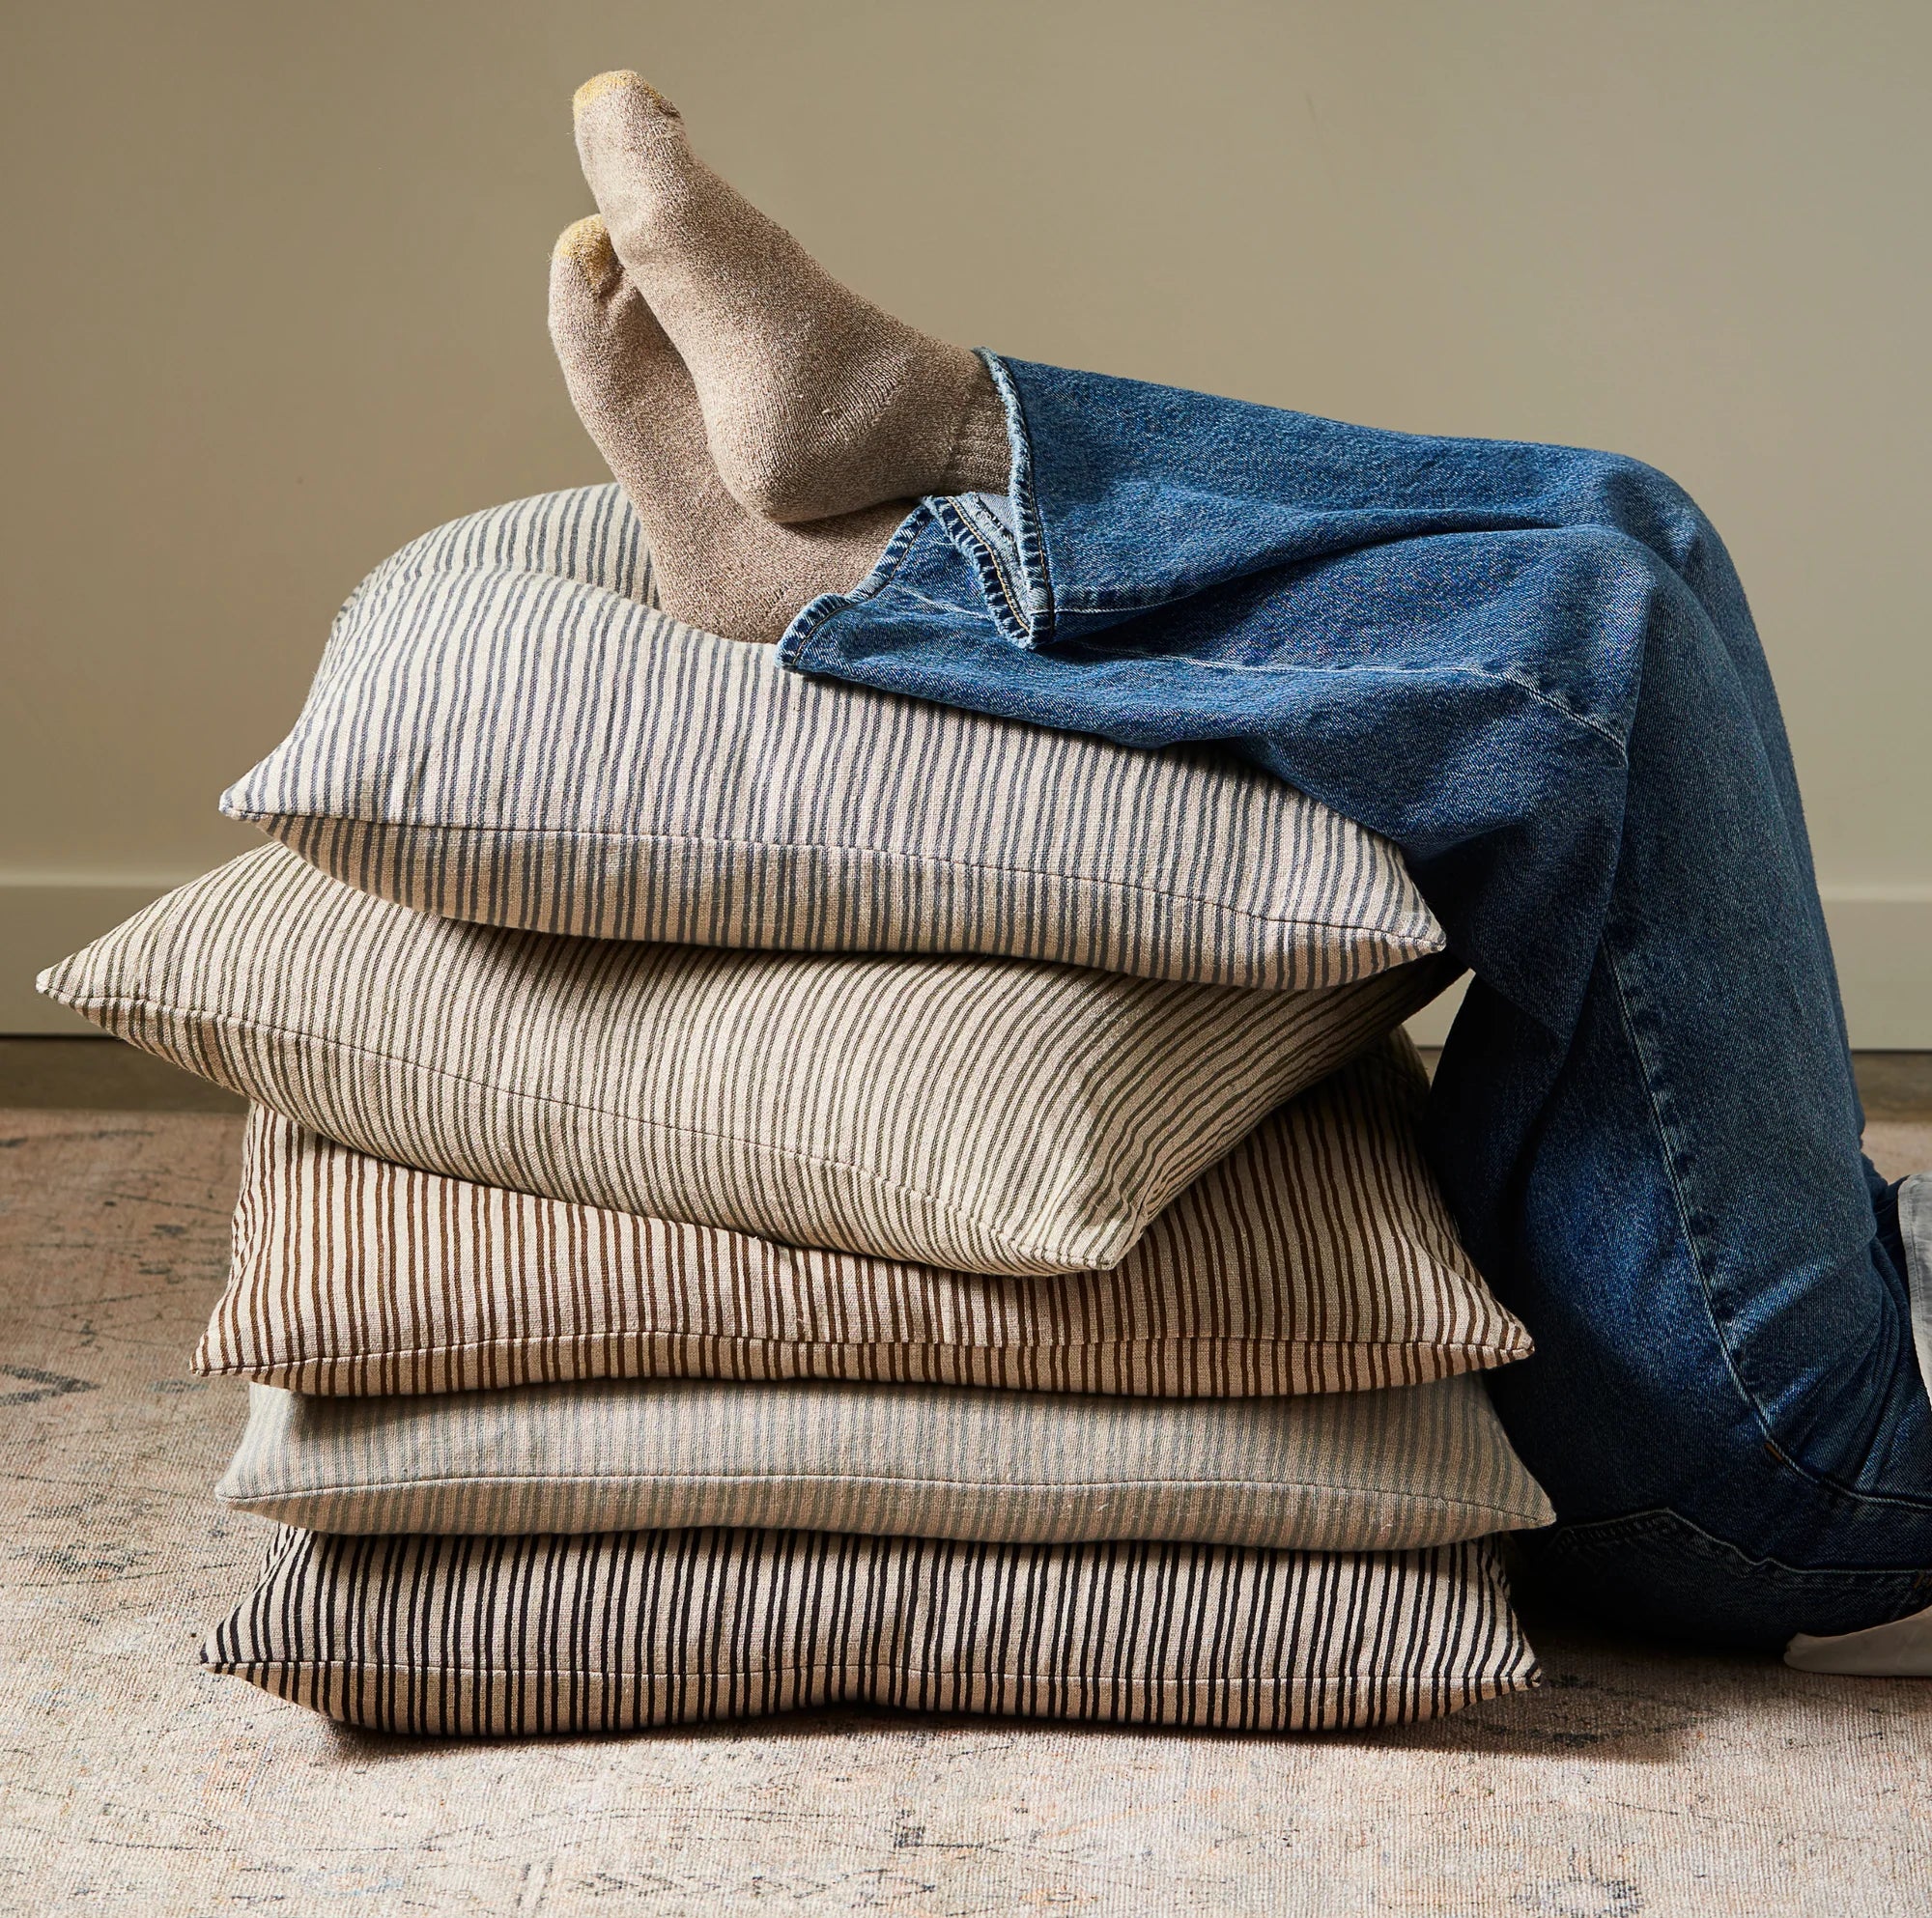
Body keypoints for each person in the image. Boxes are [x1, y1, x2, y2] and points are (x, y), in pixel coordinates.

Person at [547, 71, 1932, 1673]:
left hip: (1812, 1458)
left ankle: (872, 572)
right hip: (1869, 1253)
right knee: (1644, 522)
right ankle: (920, 418)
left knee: (1595, 654)